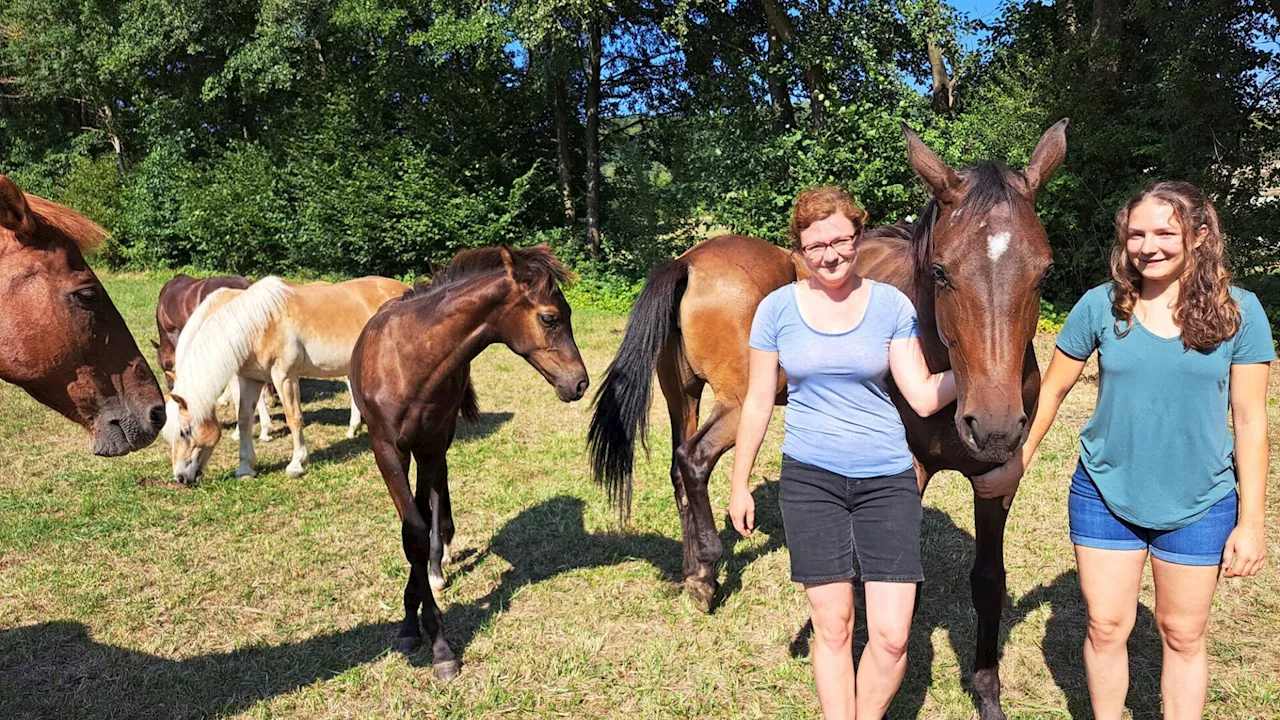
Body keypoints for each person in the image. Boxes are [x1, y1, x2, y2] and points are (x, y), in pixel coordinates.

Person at [974, 181, 1273, 719]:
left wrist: (1251, 522)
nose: (1148, 245)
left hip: (1201, 501)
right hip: (1104, 494)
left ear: (1200, 236)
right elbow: (1054, 391)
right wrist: (1018, 464)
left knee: (1182, 634)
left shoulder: (1240, 313)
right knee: (1107, 626)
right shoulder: (1100, 305)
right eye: (1137, 233)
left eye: (1165, 232)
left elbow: (1251, 421)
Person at [728, 186, 957, 719]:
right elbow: (760, 401)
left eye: (841, 240)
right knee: (833, 627)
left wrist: (978, 373)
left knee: (893, 636)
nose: (830, 255)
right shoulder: (776, 310)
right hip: (811, 481)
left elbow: (922, 395)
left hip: (888, 478)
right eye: (815, 246)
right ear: (800, 250)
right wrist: (740, 483)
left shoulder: (891, 306)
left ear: (858, 235)